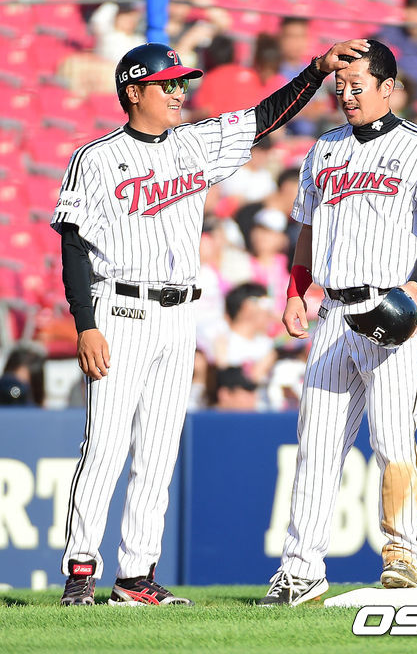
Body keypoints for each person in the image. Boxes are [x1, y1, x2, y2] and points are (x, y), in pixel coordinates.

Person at [51, 37, 371, 606]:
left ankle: (135, 577)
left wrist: (316, 71)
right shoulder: (95, 158)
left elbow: (264, 118)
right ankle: (81, 572)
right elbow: (74, 246)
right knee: (104, 445)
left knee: (158, 450)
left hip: (180, 316)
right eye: (166, 84)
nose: (179, 92)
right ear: (133, 92)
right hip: (118, 309)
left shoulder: (193, 144)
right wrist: (86, 323)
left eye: (181, 83)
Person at [257, 39, 417, 606]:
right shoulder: (323, 149)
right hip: (332, 312)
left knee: (392, 437)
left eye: (357, 86)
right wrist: (296, 292)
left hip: (393, 307)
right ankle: (301, 570)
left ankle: (403, 554)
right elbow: (306, 229)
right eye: (340, 86)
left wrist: (412, 290)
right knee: (316, 443)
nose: (346, 95)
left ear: (387, 88)